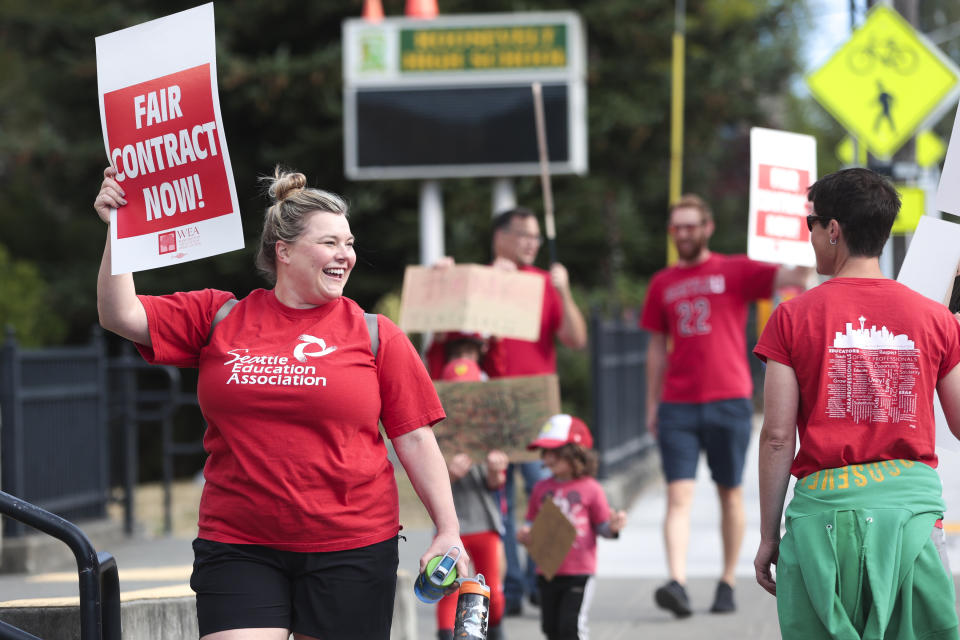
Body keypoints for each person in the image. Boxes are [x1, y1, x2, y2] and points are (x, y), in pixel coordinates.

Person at [94, 165, 468, 640]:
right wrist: (120, 231)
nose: (346, 255)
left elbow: (414, 437)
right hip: (239, 543)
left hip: (351, 545)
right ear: (284, 251)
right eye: (330, 242)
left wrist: (447, 529)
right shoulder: (218, 316)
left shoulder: (377, 335)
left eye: (349, 243)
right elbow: (119, 314)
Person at [753, 167, 960, 639]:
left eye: (811, 225)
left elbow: (778, 437)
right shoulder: (935, 318)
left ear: (833, 229)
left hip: (823, 519)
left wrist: (768, 537)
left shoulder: (792, 317)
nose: (811, 237)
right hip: (911, 519)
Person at [640, 194, 807, 617]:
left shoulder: (734, 269)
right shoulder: (662, 282)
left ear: (707, 227)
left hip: (728, 398)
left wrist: (796, 246)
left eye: (691, 225)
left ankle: (727, 581)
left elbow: (792, 276)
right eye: (676, 226)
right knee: (678, 494)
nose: (683, 233)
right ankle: (676, 582)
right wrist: (651, 404)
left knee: (729, 493)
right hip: (677, 403)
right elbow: (656, 347)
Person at [428, 206, 588, 615]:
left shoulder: (542, 283)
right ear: (500, 237)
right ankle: (510, 590)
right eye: (523, 235)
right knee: (498, 504)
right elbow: (440, 330)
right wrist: (442, 279)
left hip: (532, 413)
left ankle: (546, 583)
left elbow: (575, 338)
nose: (531, 243)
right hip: (486, 410)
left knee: (548, 496)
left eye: (535, 237)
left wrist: (563, 289)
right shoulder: (477, 281)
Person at [517, 414, 627, 640]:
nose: (547, 458)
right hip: (547, 570)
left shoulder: (592, 489)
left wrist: (613, 527)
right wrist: (526, 534)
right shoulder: (540, 488)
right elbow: (531, 523)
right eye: (545, 452)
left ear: (576, 453)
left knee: (571, 628)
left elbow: (602, 527)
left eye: (554, 452)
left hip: (579, 572)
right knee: (551, 629)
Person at [432, 334, 508, 640]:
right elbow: (428, 483)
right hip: (452, 524)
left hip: (484, 521)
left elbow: (496, 485)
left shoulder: (490, 428)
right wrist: (449, 474)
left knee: (492, 590)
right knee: (448, 589)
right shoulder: (435, 434)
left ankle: (496, 631)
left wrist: (495, 469)